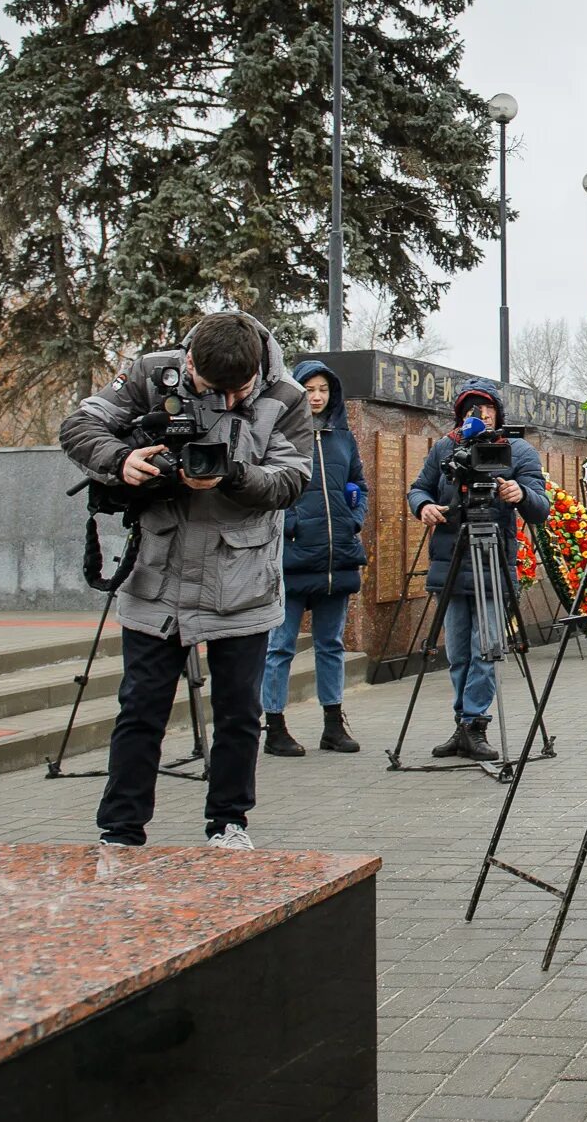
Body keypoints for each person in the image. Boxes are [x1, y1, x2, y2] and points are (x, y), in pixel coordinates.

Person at [59, 312, 312, 849]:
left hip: (242, 578)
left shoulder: (286, 397)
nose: (221, 399)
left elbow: (292, 479)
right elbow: (79, 425)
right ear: (189, 359)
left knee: (239, 713)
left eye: (235, 391)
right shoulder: (151, 372)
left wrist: (235, 476)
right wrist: (120, 459)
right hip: (158, 573)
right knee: (140, 708)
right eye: (207, 387)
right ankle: (121, 830)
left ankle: (228, 824)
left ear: (254, 373)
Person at [408, 380, 550, 762]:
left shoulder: (516, 451)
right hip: (451, 561)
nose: (481, 415)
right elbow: (418, 489)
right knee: (457, 653)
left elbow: (540, 506)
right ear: (461, 415)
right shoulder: (445, 447)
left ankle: (475, 724)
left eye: (487, 409)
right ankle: (462, 725)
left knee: (485, 650)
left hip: (491, 561)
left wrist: (520, 494)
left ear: (498, 414)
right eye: (473, 410)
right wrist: (423, 506)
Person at [261, 360, 366, 757]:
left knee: (331, 643)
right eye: (309, 389)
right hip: (291, 560)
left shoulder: (343, 437)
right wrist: (292, 524)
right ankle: (274, 725)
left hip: (335, 558)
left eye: (323, 389)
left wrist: (353, 519)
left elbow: (360, 484)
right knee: (281, 645)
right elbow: (269, 487)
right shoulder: (281, 435)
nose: (317, 396)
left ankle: (333, 724)